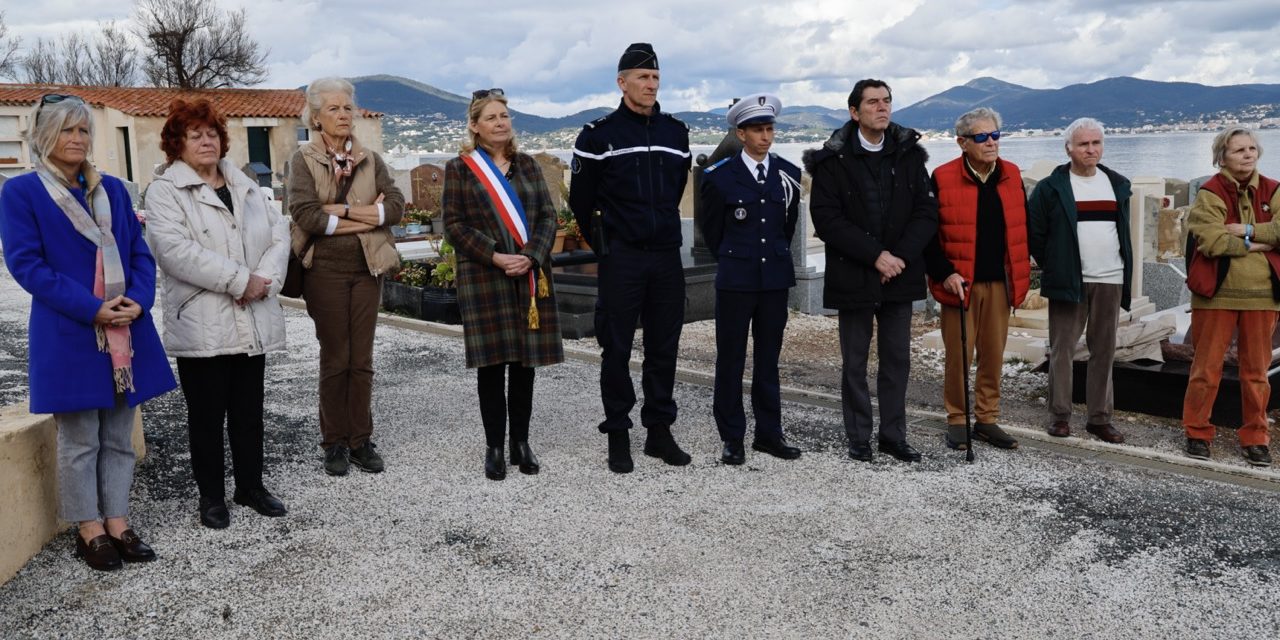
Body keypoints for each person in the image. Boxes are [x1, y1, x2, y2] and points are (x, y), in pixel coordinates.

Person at [0, 94, 176, 570]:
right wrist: (92, 308)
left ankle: (117, 519)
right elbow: (26, 265)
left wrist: (138, 300)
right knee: (79, 438)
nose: (77, 139)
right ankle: (88, 528)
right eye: (66, 130)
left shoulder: (114, 190)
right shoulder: (22, 193)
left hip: (124, 328)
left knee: (119, 433)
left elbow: (139, 251)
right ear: (43, 136)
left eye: (83, 130)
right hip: (70, 331)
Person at [144, 99, 291, 528]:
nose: (206, 141)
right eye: (195, 135)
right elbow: (175, 253)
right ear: (177, 144)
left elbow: (278, 235)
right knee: (206, 416)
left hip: (252, 315)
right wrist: (240, 280)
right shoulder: (166, 191)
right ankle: (211, 497)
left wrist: (264, 280)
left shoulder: (244, 184)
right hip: (202, 321)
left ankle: (250, 486)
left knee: (249, 412)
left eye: (211, 134)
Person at [569, 43, 693, 473]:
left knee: (664, 347)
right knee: (616, 348)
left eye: (655, 78)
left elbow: (676, 190)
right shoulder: (598, 135)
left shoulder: (676, 133)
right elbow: (581, 202)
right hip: (623, 258)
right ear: (622, 82)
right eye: (642, 78)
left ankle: (659, 430)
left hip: (664, 258)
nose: (651, 84)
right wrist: (611, 243)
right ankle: (618, 433)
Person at [805, 79, 938, 463]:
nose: (882, 108)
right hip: (855, 273)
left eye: (887, 101)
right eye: (873, 102)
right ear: (854, 112)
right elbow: (828, 220)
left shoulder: (910, 156)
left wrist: (896, 258)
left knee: (897, 360)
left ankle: (893, 435)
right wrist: (876, 256)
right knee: (856, 362)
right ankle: (859, 436)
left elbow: (926, 212)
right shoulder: (832, 160)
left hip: (900, 272)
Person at [442, 89, 564, 480]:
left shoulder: (527, 166)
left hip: (528, 274)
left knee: (524, 363)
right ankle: (495, 446)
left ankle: (521, 443)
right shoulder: (460, 168)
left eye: (505, 116)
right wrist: (494, 254)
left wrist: (531, 255)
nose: (500, 122)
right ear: (475, 127)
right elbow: (454, 225)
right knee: (492, 365)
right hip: (484, 276)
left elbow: (548, 216)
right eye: (491, 117)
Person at [288, 77, 405, 476]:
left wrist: (342, 213)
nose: (343, 115)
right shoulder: (303, 160)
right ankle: (334, 441)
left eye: (347, 108)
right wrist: (365, 218)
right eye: (333, 109)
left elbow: (397, 206)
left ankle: (361, 439)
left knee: (363, 358)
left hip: (368, 269)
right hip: (325, 272)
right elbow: (306, 214)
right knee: (337, 357)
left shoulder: (370, 158)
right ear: (316, 117)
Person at [699, 93, 802, 465]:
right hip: (736, 279)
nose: (766, 136)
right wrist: (737, 258)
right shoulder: (719, 177)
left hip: (773, 279)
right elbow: (712, 232)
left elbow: (786, 228)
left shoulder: (789, 174)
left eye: (770, 128)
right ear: (740, 133)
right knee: (730, 359)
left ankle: (769, 434)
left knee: (768, 360)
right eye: (758, 129)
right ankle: (732, 436)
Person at [924, 107, 1030, 451]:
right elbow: (929, 236)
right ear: (962, 143)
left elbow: (1021, 228)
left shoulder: (1012, 174)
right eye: (982, 137)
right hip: (960, 282)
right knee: (959, 354)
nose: (991, 143)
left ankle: (987, 418)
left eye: (995, 135)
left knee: (993, 354)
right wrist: (945, 273)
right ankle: (957, 418)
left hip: (1001, 281)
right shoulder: (941, 177)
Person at [1027, 117, 1133, 444]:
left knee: (1104, 350)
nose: (1091, 149)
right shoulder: (1051, 188)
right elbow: (1036, 234)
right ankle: (1059, 416)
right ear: (1069, 148)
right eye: (1084, 144)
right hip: (1069, 281)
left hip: (1110, 278)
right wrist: (1055, 265)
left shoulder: (1116, 184)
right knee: (1062, 350)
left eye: (1096, 143)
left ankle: (1099, 418)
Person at [1182, 128, 1278, 467]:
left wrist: (1248, 231)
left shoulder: (1273, 189)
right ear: (1222, 156)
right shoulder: (1210, 193)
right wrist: (1265, 244)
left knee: (1257, 373)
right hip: (1215, 295)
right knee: (1206, 369)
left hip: (1263, 296)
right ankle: (1197, 431)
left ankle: (1256, 437)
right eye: (1239, 150)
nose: (1248, 154)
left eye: (1252, 148)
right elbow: (1212, 242)